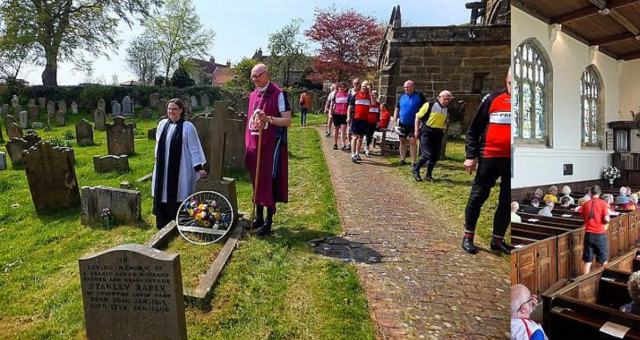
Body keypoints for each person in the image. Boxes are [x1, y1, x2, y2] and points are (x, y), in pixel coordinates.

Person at [461, 68, 512, 255]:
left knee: (507, 202)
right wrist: (470, 155)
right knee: (478, 196)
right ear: (506, 79)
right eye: (511, 83)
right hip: (490, 157)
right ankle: (468, 236)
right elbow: (474, 130)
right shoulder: (492, 99)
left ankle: (497, 239)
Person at [245, 63, 292, 236]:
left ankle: (268, 222)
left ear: (267, 74)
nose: (255, 79)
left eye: (258, 75)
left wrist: (269, 119)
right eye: (253, 76)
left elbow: (287, 120)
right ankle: (258, 217)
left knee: (268, 180)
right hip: (254, 144)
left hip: (271, 144)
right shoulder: (252, 95)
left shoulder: (278, 94)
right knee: (256, 180)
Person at [152, 98, 207, 230]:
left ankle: (178, 219)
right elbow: (158, 145)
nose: (172, 111)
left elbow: (194, 148)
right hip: (162, 166)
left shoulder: (188, 127)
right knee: (162, 191)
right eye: (169, 109)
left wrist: (198, 168)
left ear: (181, 110)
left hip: (180, 167)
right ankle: (162, 220)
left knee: (179, 191)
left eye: (175, 109)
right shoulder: (162, 125)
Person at [412, 90, 452, 182]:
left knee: (435, 156)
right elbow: (418, 116)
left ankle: (428, 174)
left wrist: (443, 129)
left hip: (438, 133)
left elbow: (445, 120)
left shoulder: (446, 109)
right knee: (427, 154)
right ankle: (416, 169)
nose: (446, 101)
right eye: (445, 99)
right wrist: (416, 130)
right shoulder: (429, 105)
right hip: (427, 131)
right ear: (439, 97)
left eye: (449, 100)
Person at [393, 80, 426, 166]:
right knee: (402, 140)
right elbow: (397, 109)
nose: (406, 89)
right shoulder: (401, 97)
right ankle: (402, 159)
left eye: (408, 87)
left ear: (413, 87)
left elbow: (425, 109)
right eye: (405, 87)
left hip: (414, 123)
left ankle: (413, 161)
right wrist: (394, 121)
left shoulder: (419, 96)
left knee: (412, 141)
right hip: (402, 123)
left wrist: (421, 122)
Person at [581, 185, 610, 274]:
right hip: (600, 234)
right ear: (600, 193)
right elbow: (606, 219)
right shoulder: (602, 203)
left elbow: (583, 217)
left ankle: (585, 283)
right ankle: (604, 281)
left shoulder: (585, 204)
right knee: (603, 260)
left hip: (589, 234)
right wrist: (606, 222)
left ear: (590, 193)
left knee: (588, 261)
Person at [347, 80, 376, 163]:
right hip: (356, 118)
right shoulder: (356, 95)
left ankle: (357, 153)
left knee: (361, 137)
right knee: (355, 137)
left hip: (365, 119)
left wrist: (370, 92)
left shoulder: (370, 95)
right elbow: (350, 106)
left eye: (366, 86)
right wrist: (348, 117)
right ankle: (353, 153)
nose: (364, 88)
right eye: (363, 86)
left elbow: (373, 103)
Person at [329, 82, 350, 151]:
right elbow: (332, 105)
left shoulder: (348, 96)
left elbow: (349, 106)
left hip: (344, 114)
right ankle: (335, 143)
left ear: (346, 88)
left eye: (343, 87)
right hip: (336, 114)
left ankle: (343, 144)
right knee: (336, 129)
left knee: (343, 129)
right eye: (340, 87)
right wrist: (330, 114)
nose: (342, 88)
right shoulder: (336, 95)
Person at [363, 89, 380, 158]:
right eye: (372, 95)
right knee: (367, 135)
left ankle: (366, 147)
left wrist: (378, 121)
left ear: (377, 96)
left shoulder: (378, 104)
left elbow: (378, 113)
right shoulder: (367, 103)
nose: (373, 96)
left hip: (373, 122)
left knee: (370, 136)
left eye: (374, 95)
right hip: (367, 121)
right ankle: (367, 149)